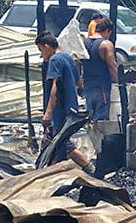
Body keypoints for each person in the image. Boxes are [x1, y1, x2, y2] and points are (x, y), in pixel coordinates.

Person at [36, 32, 94, 172]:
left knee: (61, 141)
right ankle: (52, 170)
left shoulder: (55, 60)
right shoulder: (68, 57)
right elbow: (79, 82)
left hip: (59, 110)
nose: (41, 54)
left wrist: (48, 112)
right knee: (55, 143)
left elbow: (56, 85)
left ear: (47, 46)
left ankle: (89, 167)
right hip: (70, 108)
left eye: (41, 50)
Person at [82, 18, 119, 122]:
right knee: (101, 119)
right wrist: (120, 84)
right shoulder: (106, 45)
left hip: (88, 86)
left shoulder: (84, 43)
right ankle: (101, 138)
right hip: (102, 86)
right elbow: (112, 66)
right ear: (107, 30)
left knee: (90, 117)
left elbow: (78, 63)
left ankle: (92, 138)